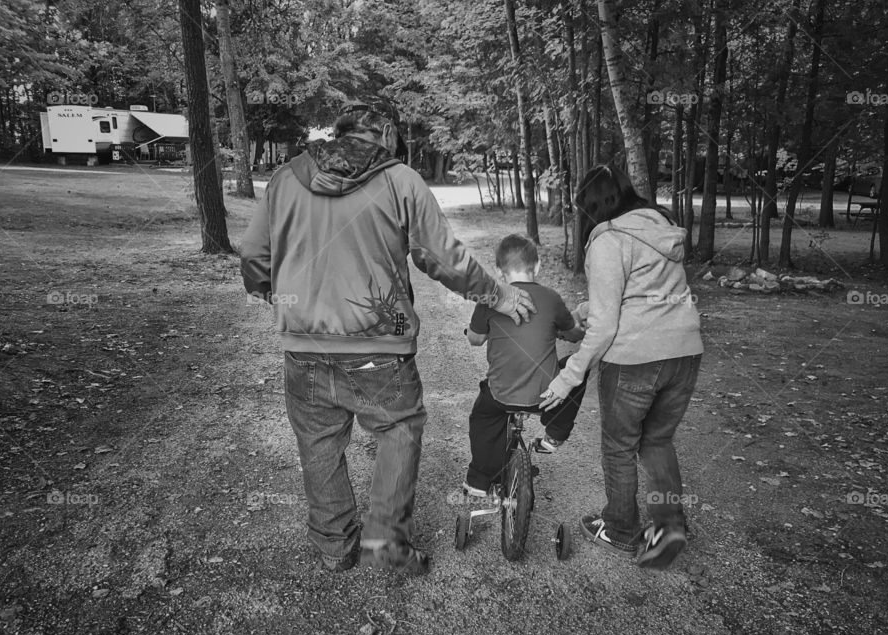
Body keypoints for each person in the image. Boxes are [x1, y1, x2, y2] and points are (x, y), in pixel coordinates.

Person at [238, 100, 535, 576]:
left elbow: (254, 256)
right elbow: (442, 256)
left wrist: (276, 296)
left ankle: (335, 547)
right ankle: (384, 542)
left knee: (318, 443)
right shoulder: (400, 181)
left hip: (303, 345)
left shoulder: (286, 178)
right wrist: (495, 294)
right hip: (382, 342)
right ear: (387, 138)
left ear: (340, 134)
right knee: (398, 430)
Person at [539, 164, 703, 570]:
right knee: (658, 441)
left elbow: (608, 325)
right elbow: (638, 294)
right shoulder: (659, 226)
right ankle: (668, 529)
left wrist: (569, 376)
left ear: (595, 206)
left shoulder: (609, 238)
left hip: (634, 358)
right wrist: (581, 311)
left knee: (619, 446)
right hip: (683, 351)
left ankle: (620, 529)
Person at [464, 234, 588, 496]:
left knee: (482, 418)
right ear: (538, 266)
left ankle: (479, 480)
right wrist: (573, 322)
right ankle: (555, 431)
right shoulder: (552, 298)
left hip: (501, 395)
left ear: (499, 271)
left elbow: (475, 340)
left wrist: (473, 331)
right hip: (546, 396)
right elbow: (574, 334)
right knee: (578, 368)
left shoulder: (490, 299)